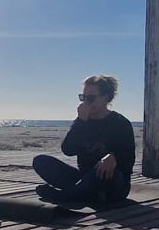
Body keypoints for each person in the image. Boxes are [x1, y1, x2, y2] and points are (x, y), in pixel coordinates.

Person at [33, 74, 136, 204]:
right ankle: (83, 193)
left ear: (106, 98)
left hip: (111, 182)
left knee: (105, 174)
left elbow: (129, 160)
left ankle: (65, 196)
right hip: (84, 177)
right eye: (83, 97)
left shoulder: (120, 123)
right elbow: (68, 150)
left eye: (90, 98)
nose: (85, 102)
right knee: (41, 161)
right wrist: (81, 122)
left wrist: (114, 157)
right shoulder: (83, 121)